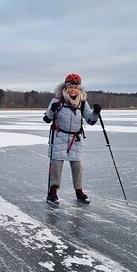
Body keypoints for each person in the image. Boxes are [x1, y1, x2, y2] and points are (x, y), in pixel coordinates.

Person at [43, 73, 101, 205]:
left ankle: (79, 192)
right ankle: (52, 192)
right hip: (59, 137)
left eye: (76, 87)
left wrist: (95, 113)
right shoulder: (57, 100)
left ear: (79, 89)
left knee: (77, 166)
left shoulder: (82, 102)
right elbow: (47, 119)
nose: (73, 89)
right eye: (71, 87)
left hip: (75, 139)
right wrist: (52, 110)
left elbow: (90, 120)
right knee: (56, 166)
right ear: (66, 88)